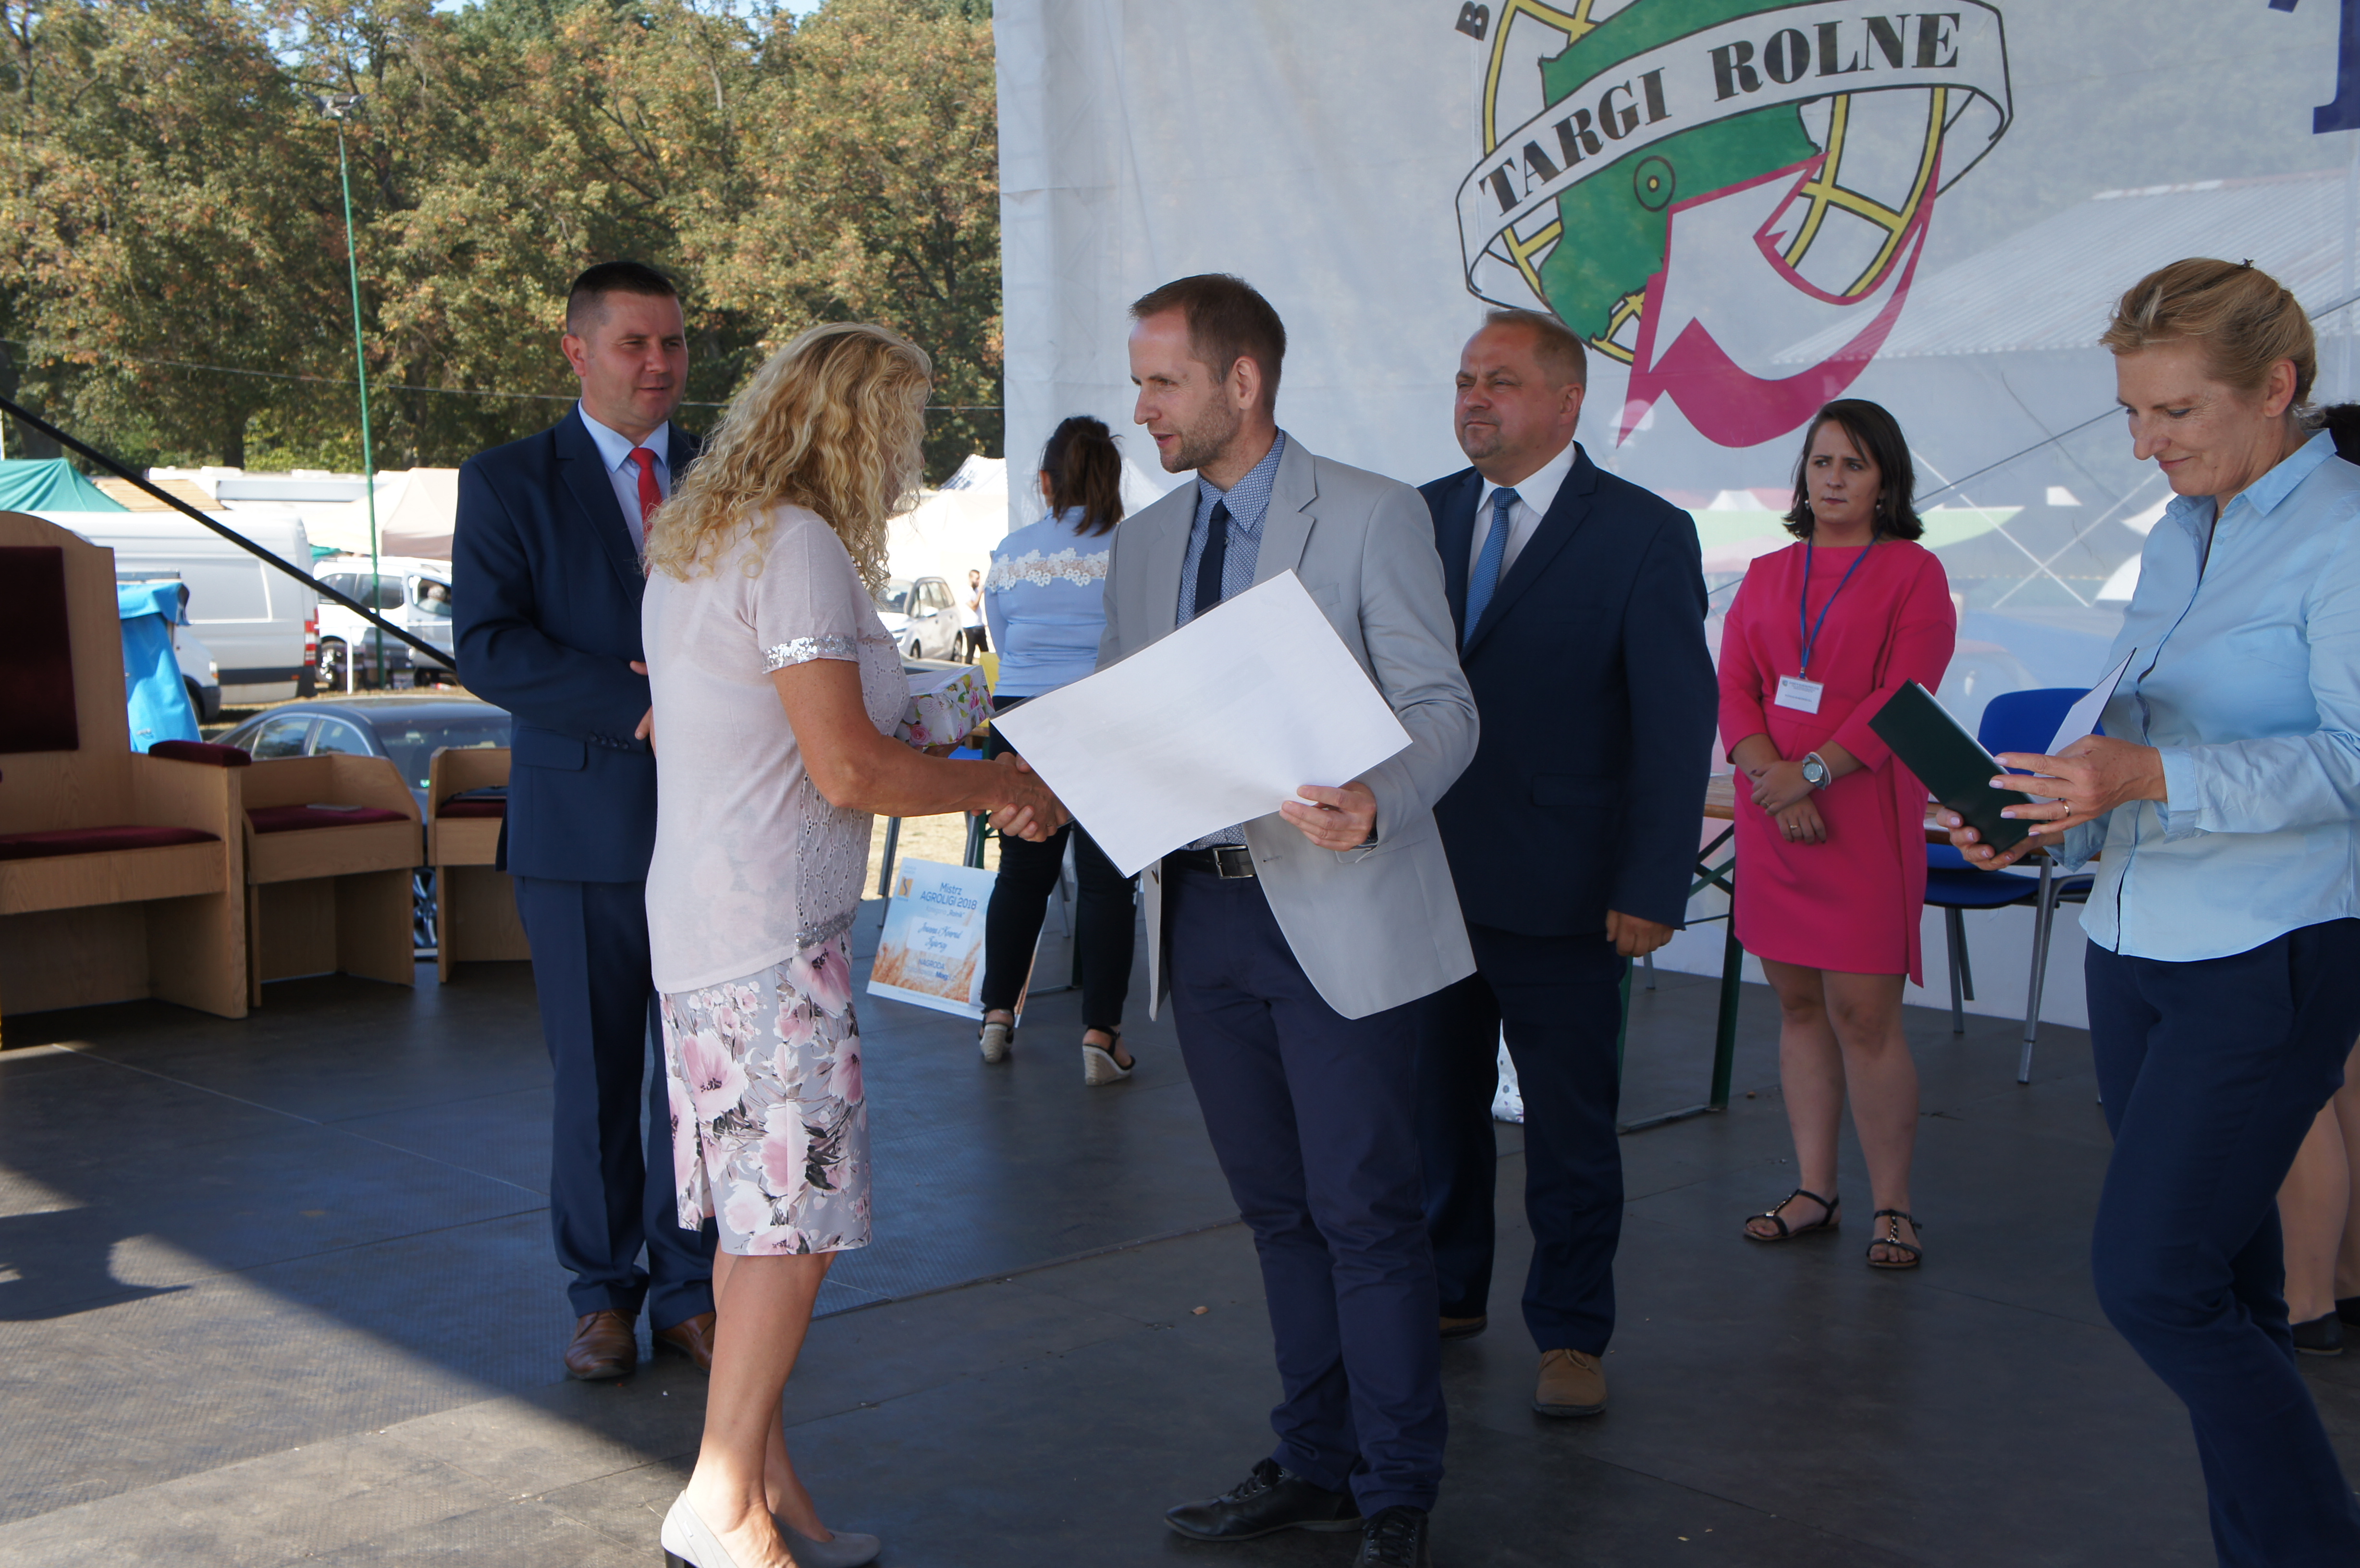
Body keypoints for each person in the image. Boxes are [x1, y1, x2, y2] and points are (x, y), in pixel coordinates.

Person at [1950, 260, 2360, 1563]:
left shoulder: (2345, 533)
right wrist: (2047, 809)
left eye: (2173, 411)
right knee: (2225, 1285)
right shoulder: (2184, 527)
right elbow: (2134, 725)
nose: (2144, 444)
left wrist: (2150, 778)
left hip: (2269, 952)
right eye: (2131, 412)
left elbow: (2353, 761)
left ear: (2275, 387)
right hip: (2133, 944)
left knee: (2152, 1281)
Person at [640, 322, 1061, 1568]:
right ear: (860, 427)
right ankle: (719, 1502)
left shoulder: (704, 541)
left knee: (757, 1227)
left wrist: (965, 719)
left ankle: (766, 1493)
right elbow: (848, 767)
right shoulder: (800, 547)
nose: (909, 461)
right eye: (906, 429)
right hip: (770, 937)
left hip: (708, 925)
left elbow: (761, 722)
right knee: (797, 1228)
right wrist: (1000, 787)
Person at [1100, 273, 1476, 1568]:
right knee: (1278, 1215)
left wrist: (1376, 802)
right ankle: (1316, 1462)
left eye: (1162, 382)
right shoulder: (1143, 544)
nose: (1142, 407)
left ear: (1241, 381)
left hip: (1336, 905)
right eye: (1139, 382)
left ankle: (1395, 1487)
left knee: (1364, 1212)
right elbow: (1128, 721)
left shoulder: (1372, 513)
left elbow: (1444, 708)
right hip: (1199, 919)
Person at [1414, 308, 1717, 1419]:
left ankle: (1572, 1331)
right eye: (1464, 380)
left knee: (1568, 1129)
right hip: (1423, 881)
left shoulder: (1641, 533)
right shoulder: (1417, 517)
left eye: (1497, 381)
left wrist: (1650, 884)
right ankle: (1448, 1291)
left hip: (1567, 890)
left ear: (1565, 401)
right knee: (1432, 1110)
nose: (1472, 399)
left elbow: (1674, 726)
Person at [454, 260, 718, 1381]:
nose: (659, 364)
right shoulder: (507, 480)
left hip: (718, 829)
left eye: (673, 343)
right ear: (576, 350)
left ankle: (692, 1291)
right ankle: (601, 1296)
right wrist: (633, 704)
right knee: (599, 1078)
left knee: (700, 1077)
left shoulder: (727, 473)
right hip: (580, 827)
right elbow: (488, 645)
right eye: (634, 344)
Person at [1720, 399, 1955, 1270]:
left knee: (1864, 1016)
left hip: (1860, 815)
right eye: (1821, 462)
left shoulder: (1913, 573)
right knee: (1797, 1006)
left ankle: (1894, 1206)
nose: (1833, 479)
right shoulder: (1766, 571)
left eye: (1854, 464)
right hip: (1773, 811)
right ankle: (1815, 1189)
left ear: (1886, 480)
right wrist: (1773, 782)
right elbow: (1735, 687)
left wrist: (1811, 774)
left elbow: (1904, 696)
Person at [975, 415, 1139, 1084]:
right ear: (1112, 477)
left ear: (1045, 482)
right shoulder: (1134, 548)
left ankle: (996, 1014)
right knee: (1106, 881)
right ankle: (1101, 1034)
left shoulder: (1013, 552)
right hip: (1103, 712)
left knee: (1021, 872)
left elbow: (1001, 641)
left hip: (1021, 716)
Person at [2275, 407, 2360, 1358]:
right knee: (2343, 1079)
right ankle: (2342, 1277)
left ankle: (2305, 1299)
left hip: (2320, 867)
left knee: (2299, 1088)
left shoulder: (2330, 555)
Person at [959, 567, 987, 662]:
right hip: (970, 627)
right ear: (971, 578)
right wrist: (980, 593)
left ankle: (986, 670)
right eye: (977, 579)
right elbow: (974, 606)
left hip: (980, 626)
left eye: (979, 579)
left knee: (985, 653)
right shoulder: (965, 591)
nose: (979, 581)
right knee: (971, 651)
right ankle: (967, 670)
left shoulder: (976, 591)